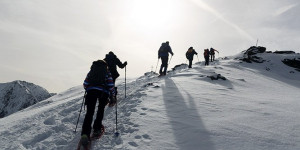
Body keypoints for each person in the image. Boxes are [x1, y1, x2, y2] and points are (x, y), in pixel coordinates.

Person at [80, 60, 116, 147]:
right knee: (100, 110)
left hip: (91, 92)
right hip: (103, 93)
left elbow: (85, 83)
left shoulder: (92, 71)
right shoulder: (107, 72)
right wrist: (113, 95)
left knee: (89, 112)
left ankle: (85, 134)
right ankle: (96, 128)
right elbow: (111, 85)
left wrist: (89, 88)